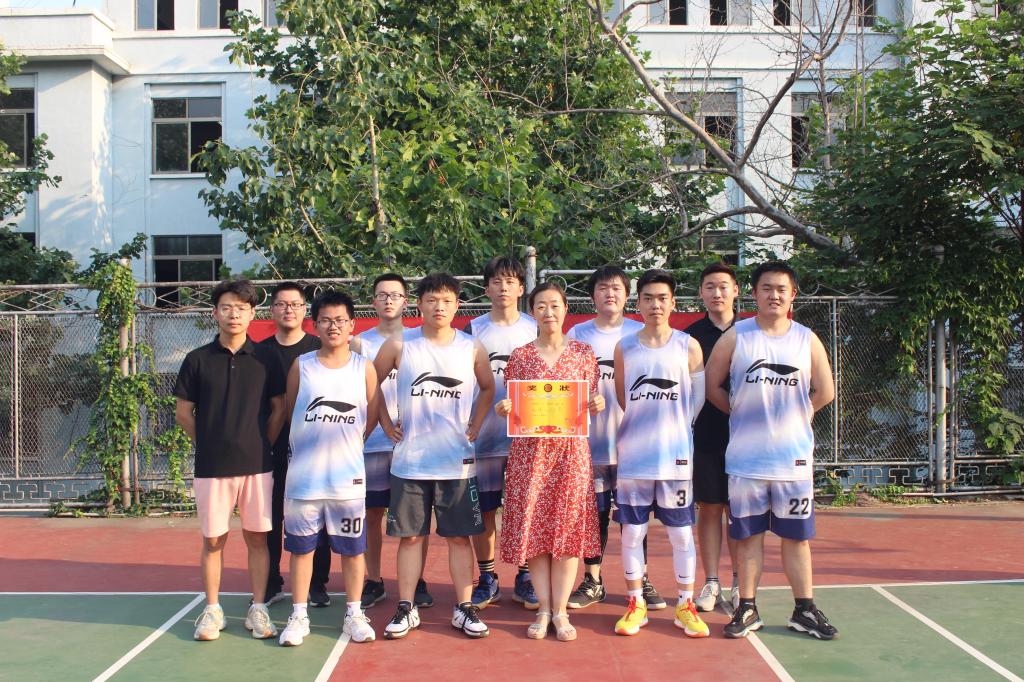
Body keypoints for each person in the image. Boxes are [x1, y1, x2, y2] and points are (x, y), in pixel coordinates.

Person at [705, 261, 839, 640]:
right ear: (754, 293)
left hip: (792, 461)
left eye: (781, 289)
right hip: (746, 461)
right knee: (748, 536)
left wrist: (797, 417)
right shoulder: (736, 337)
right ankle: (747, 607)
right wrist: (742, 414)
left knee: (797, 537)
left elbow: (825, 391)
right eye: (766, 288)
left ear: (793, 295)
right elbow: (712, 386)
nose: (774, 295)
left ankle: (804, 609)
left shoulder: (806, 339)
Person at [373, 273, 496, 640]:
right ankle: (406, 606)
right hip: (410, 463)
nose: (439, 307)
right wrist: (385, 423)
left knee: (459, 538)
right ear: (419, 304)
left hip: (456, 462)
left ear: (457, 305)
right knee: (411, 538)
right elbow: (369, 383)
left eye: (446, 301)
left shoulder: (471, 347)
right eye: (431, 300)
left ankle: (464, 607)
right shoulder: (400, 344)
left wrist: (476, 423)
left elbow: (488, 387)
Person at [175, 278, 287, 642]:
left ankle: (259, 608)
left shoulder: (267, 359)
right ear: (215, 313)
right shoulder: (197, 360)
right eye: (226, 307)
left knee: (258, 539)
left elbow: (278, 409)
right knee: (213, 540)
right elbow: (183, 413)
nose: (233, 314)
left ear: (253, 313)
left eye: (241, 308)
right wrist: (209, 443)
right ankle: (212, 610)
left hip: (258, 465)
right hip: (212, 468)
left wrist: (262, 444)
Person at [495, 282, 605, 642]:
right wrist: (505, 408)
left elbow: (591, 397)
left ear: (566, 308)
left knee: (568, 533)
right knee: (536, 534)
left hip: (572, 454)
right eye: (541, 306)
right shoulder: (521, 356)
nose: (549, 312)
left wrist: (596, 403)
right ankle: (543, 609)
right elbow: (514, 403)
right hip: (531, 456)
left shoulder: (584, 353)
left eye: (555, 305)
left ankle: (561, 612)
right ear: (532, 312)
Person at [611, 269, 709, 639]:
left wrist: (674, 429)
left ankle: (685, 604)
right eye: (648, 298)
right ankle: (635, 603)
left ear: (673, 303)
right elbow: (624, 398)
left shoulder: (688, 346)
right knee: (632, 533)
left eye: (662, 298)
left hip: (675, 458)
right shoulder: (625, 347)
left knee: (681, 534)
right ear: (638, 303)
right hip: (634, 456)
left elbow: (697, 401)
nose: (655, 304)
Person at [278, 291, 379, 646]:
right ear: (315, 325)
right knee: (301, 550)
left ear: (352, 325)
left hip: (347, 480)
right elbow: (292, 411)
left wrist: (347, 447)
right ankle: (299, 615)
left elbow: (371, 416)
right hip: (304, 480)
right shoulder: (301, 366)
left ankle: (354, 614)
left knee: (352, 550)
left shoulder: (364, 368)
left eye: (340, 320)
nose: (333, 326)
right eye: (325, 320)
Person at [566, 266, 664, 610]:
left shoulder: (640, 332)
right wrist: (582, 400)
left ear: (627, 295)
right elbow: (565, 384)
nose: (610, 294)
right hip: (589, 446)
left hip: (632, 446)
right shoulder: (576, 334)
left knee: (635, 519)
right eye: (603, 288)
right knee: (593, 517)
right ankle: (593, 580)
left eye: (617, 288)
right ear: (593, 295)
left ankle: (642, 579)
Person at [351, 274, 433, 611]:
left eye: (395, 295)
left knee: (417, 518)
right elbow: (364, 391)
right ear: (373, 301)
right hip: (374, 443)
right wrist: (383, 424)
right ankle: (374, 579)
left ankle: (417, 580)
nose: (388, 300)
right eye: (382, 295)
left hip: (413, 444)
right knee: (372, 514)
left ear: (406, 302)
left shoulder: (418, 340)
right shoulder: (360, 343)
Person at [465, 256, 539, 610]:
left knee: (526, 507)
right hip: (485, 438)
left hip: (528, 438)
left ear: (521, 288)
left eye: (510, 281)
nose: (503, 287)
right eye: (496, 281)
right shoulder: (473, 329)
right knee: (485, 510)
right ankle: (488, 577)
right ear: (486, 289)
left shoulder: (535, 327)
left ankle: (526, 575)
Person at [259, 282, 332, 608]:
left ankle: (317, 583)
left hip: (314, 451)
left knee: (318, 519)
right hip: (272, 449)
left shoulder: (320, 348)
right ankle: (271, 581)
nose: (288, 309)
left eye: (295, 304)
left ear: (305, 310)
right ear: (272, 310)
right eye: (282, 304)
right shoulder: (259, 352)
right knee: (271, 517)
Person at [684, 263, 740, 613]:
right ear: (701, 293)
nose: (717, 293)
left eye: (723, 286)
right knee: (710, 508)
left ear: (736, 290)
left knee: (739, 511)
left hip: (746, 437)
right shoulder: (691, 338)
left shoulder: (751, 332)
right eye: (709, 287)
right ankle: (711, 581)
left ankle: (740, 582)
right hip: (706, 435)